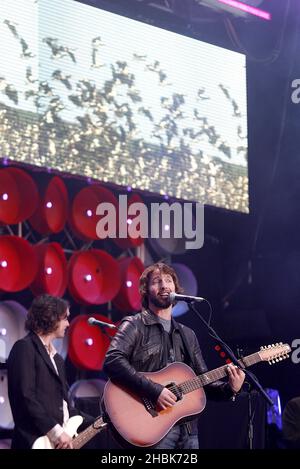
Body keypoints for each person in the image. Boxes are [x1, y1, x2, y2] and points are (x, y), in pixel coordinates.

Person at [103, 262, 245, 449]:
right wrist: (155, 390)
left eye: (168, 280)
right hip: (152, 428)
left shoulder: (188, 335)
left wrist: (230, 389)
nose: (164, 285)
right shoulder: (135, 325)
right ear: (146, 290)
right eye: (157, 281)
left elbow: (203, 381)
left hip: (188, 431)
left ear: (175, 289)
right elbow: (112, 361)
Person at [7, 294, 93, 449]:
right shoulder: (24, 348)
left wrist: (98, 421)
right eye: (65, 318)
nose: (68, 324)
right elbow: (25, 397)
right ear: (51, 318)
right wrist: (57, 433)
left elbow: (65, 406)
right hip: (34, 442)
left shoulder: (58, 360)